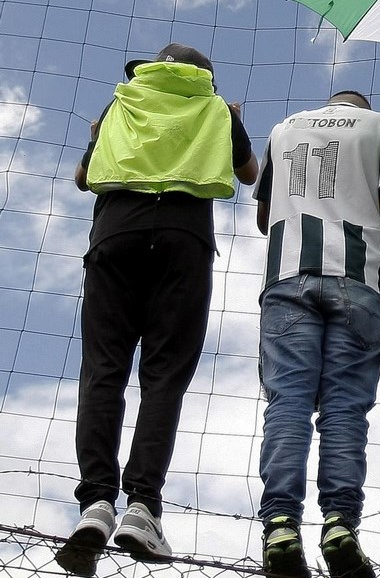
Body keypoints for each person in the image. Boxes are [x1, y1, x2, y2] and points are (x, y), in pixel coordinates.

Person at [55, 44, 258, 576]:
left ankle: (96, 502)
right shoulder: (216, 108)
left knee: (103, 371)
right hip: (183, 238)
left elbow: (83, 178)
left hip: (115, 233)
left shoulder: (120, 103)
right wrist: (233, 123)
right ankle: (143, 505)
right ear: (205, 77)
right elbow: (250, 173)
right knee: (164, 375)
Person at [254, 90, 380, 578]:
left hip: (287, 280)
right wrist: (367, 220)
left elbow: (264, 216)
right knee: (346, 409)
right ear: (361, 107)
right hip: (356, 279)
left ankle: (280, 523)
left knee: (288, 403)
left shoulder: (283, 128)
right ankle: (340, 523)